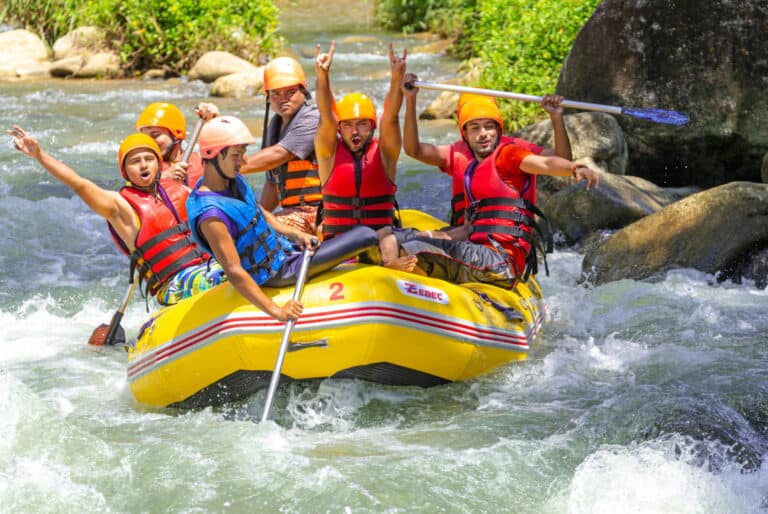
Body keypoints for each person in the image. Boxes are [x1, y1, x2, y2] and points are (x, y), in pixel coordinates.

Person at [186, 116, 380, 321]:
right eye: (236, 155)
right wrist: (277, 311)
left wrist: (296, 235)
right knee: (366, 236)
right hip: (278, 272)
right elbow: (234, 271)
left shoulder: (230, 181)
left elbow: (259, 214)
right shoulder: (211, 216)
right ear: (212, 155)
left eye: (243, 153)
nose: (243, 161)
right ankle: (380, 275)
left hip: (286, 250)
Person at [7, 126, 224, 305]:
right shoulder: (120, 206)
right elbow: (78, 183)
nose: (143, 164)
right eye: (134, 161)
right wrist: (39, 155)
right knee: (222, 277)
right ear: (125, 171)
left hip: (210, 266)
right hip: (174, 284)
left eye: (149, 158)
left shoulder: (182, 190)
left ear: (159, 164)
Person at [401, 74, 573, 229]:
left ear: (499, 129)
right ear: (465, 134)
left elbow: (562, 160)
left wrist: (556, 118)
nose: (483, 134)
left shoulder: (514, 150)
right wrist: (410, 100)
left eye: (489, 126)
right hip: (464, 237)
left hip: (505, 243)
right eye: (475, 128)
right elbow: (413, 150)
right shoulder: (456, 154)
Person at [314, 41, 417, 271]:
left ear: (371, 128)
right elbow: (326, 116)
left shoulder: (385, 154)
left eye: (362, 124)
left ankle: (390, 267)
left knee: (386, 235)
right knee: (382, 237)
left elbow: (390, 117)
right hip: (338, 245)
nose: (355, 131)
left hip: (380, 240)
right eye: (348, 125)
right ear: (340, 129)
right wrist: (322, 75)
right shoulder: (328, 153)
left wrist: (395, 78)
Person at [240, 57, 322, 236]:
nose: (282, 99)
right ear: (268, 97)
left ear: (303, 91)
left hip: (319, 212)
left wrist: (229, 167)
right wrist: (259, 217)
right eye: (275, 93)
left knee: (267, 231)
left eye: (290, 92)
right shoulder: (275, 126)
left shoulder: (313, 118)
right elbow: (272, 182)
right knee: (252, 229)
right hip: (292, 212)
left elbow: (280, 154)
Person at [135, 101, 219, 187]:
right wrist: (164, 176)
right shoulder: (142, 169)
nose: (148, 141)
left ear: (176, 134)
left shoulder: (202, 162)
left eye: (155, 135)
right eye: (144, 137)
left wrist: (216, 121)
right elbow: (134, 186)